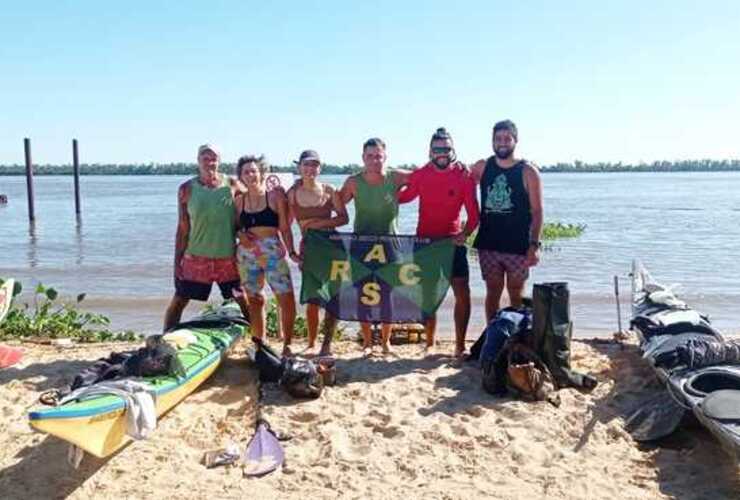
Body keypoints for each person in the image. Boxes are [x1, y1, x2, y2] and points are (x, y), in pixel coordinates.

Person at [398, 127, 479, 357]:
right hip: (425, 244)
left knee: (462, 292)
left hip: (453, 244)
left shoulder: (464, 176)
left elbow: (474, 214)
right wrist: (386, 182)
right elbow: (403, 197)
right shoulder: (421, 174)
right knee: (427, 295)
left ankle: (460, 345)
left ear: (453, 150)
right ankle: (430, 342)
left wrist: (465, 233)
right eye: (437, 149)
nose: (442, 153)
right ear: (430, 151)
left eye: (446, 148)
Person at [163, 144, 250, 332]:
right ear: (198, 161)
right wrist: (177, 260)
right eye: (205, 158)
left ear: (219, 161)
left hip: (227, 260)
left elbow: (255, 202)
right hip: (196, 259)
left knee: (242, 297)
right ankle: (165, 336)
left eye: (214, 158)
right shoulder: (186, 189)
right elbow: (183, 228)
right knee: (180, 300)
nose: (210, 162)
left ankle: (258, 338)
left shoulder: (233, 185)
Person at [340, 138, 410, 355]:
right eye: (370, 156)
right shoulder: (353, 182)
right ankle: (368, 342)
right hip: (361, 245)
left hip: (390, 244)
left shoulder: (396, 176)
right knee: (363, 294)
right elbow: (336, 202)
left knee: (388, 294)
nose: (374, 160)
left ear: (385, 157)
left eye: (378, 156)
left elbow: (425, 176)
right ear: (363, 158)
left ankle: (386, 342)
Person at [471, 120, 543, 321]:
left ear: (515, 140)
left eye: (506, 138)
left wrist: (534, 245)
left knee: (516, 294)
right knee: (492, 293)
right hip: (489, 243)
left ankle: (516, 338)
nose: (502, 143)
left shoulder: (528, 171)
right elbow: (462, 186)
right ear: (492, 141)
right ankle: (493, 337)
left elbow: (537, 212)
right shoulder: (482, 166)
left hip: (518, 244)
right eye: (497, 139)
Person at [235, 155, 300, 356]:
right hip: (247, 254)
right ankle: (259, 343)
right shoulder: (239, 201)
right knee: (255, 299)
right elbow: (235, 227)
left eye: (254, 171)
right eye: (246, 172)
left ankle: (287, 344)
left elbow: (285, 228)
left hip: (272, 251)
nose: (250, 175)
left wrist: (291, 252)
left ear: (261, 173)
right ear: (241, 176)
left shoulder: (274, 197)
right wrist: (240, 235)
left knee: (286, 297)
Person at [287, 150, 349, 356]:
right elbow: (284, 226)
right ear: (299, 167)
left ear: (320, 168)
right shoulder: (292, 193)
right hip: (309, 249)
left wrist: (320, 223)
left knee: (334, 296)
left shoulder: (329, 190)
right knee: (312, 298)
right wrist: (291, 251)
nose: (310, 169)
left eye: (314, 165)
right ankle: (312, 341)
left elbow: (343, 218)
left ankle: (327, 344)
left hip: (333, 248)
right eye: (306, 165)